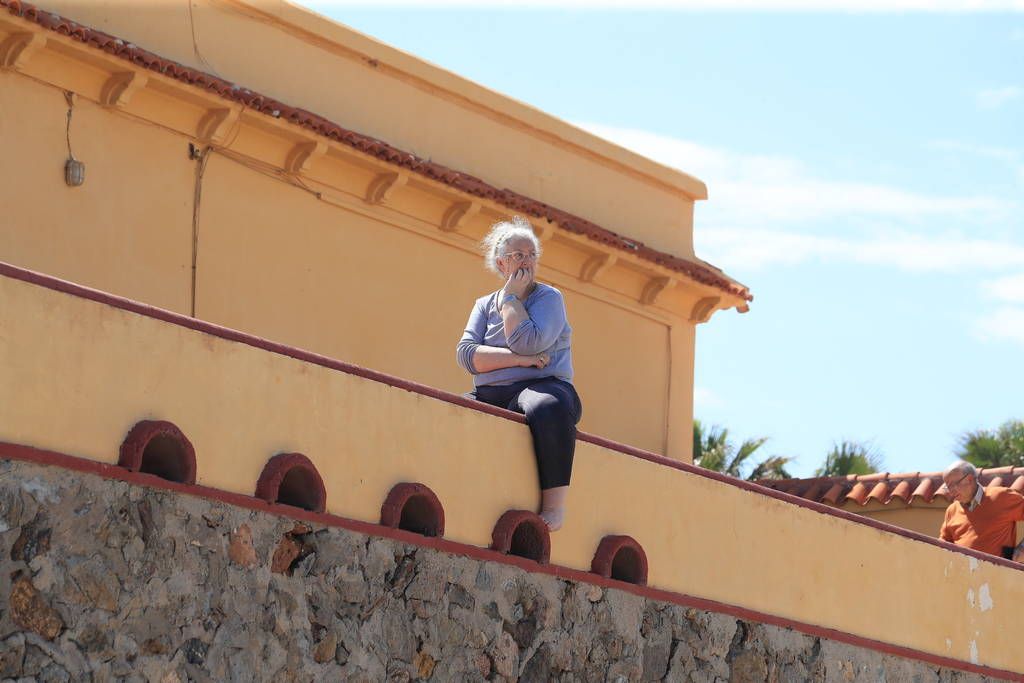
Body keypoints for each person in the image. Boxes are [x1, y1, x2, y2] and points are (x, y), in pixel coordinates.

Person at [456, 216, 581, 531]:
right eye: (517, 255)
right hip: (492, 392)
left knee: (546, 408)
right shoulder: (484, 305)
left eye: (531, 255)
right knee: (449, 409)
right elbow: (468, 355)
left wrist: (512, 299)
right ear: (501, 263)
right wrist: (520, 361)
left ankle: (554, 505)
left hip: (543, 386)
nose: (526, 261)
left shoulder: (549, 298)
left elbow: (530, 341)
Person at [939, 460, 1024, 561]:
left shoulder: (1001, 497)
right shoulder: (952, 510)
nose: (951, 490)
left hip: (998, 574)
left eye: (954, 484)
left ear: (970, 479)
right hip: (963, 574)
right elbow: (944, 545)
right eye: (948, 486)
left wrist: (1022, 548)